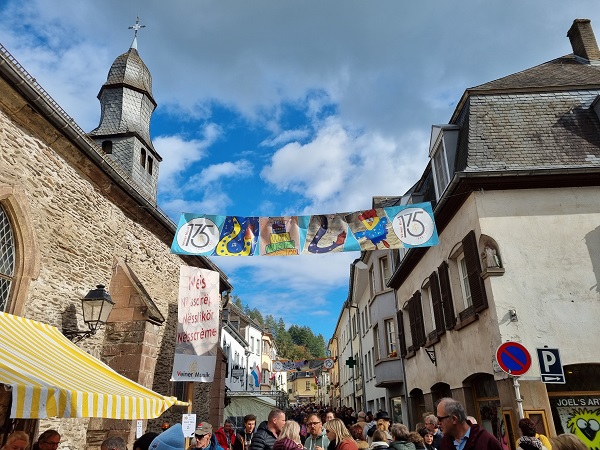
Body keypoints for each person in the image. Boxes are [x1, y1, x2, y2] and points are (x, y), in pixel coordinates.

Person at [436, 397, 502, 450]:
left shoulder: (486, 441)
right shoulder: (445, 442)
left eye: (440, 419)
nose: (437, 423)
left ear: (454, 419)